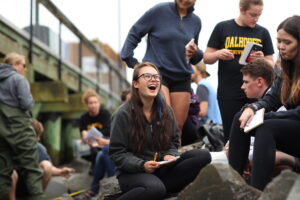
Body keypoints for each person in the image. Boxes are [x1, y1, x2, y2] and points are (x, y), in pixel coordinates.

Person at [109, 62, 211, 200]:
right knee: (155, 188)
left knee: (203, 156)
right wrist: (142, 165)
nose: (153, 79)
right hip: (132, 173)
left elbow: (174, 142)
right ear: (135, 84)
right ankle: (153, 189)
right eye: (147, 76)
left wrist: (170, 155)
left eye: (156, 77)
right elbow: (117, 153)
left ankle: (150, 191)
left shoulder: (166, 110)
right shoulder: (123, 114)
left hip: (161, 168)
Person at [228, 15, 300, 190]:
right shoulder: (285, 69)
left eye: (287, 42)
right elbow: (272, 98)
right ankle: (234, 185)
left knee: (266, 127)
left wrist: (265, 116)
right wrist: (252, 108)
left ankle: (256, 190)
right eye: (278, 41)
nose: (281, 47)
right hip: (292, 126)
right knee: (241, 117)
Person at [121, 0, 203, 143]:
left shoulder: (196, 22)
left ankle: (175, 162)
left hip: (182, 76)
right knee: (164, 121)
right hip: (158, 73)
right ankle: (157, 160)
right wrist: (131, 60)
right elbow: (135, 32)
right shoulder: (159, 11)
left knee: (177, 127)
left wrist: (197, 52)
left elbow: (194, 57)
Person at [203, 0, 274, 142]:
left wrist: (262, 59)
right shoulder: (222, 27)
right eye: (253, 15)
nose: (256, 19)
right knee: (231, 133)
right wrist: (218, 54)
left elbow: (271, 63)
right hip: (228, 90)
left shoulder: (262, 32)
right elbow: (206, 58)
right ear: (242, 10)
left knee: (256, 132)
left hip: (255, 91)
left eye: (259, 15)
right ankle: (234, 163)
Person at [0, 52, 43, 200]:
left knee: (3, 172)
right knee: (32, 168)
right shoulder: (19, 79)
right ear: (14, 65)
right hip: (20, 129)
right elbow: (26, 104)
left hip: (1, 132)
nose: (25, 69)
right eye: (24, 65)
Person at [9, 119, 75, 200]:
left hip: (29, 184)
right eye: (37, 136)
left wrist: (60, 172)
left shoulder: (39, 148)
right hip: (10, 186)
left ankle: (37, 197)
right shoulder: (10, 146)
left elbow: (49, 168)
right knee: (11, 173)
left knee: (46, 165)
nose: (39, 139)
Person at [78, 89, 115, 198]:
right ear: (87, 104)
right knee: (97, 153)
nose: (93, 105)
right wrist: (84, 135)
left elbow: (108, 131)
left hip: (104, 141)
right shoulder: (84, 117)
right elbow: (82, 131)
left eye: (95, 102)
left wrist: (95, 137)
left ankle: (97, 189)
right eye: (91, 103)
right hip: (90, 144)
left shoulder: (105, 114)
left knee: (102, 152)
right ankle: (103, 187)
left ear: (99, 103)